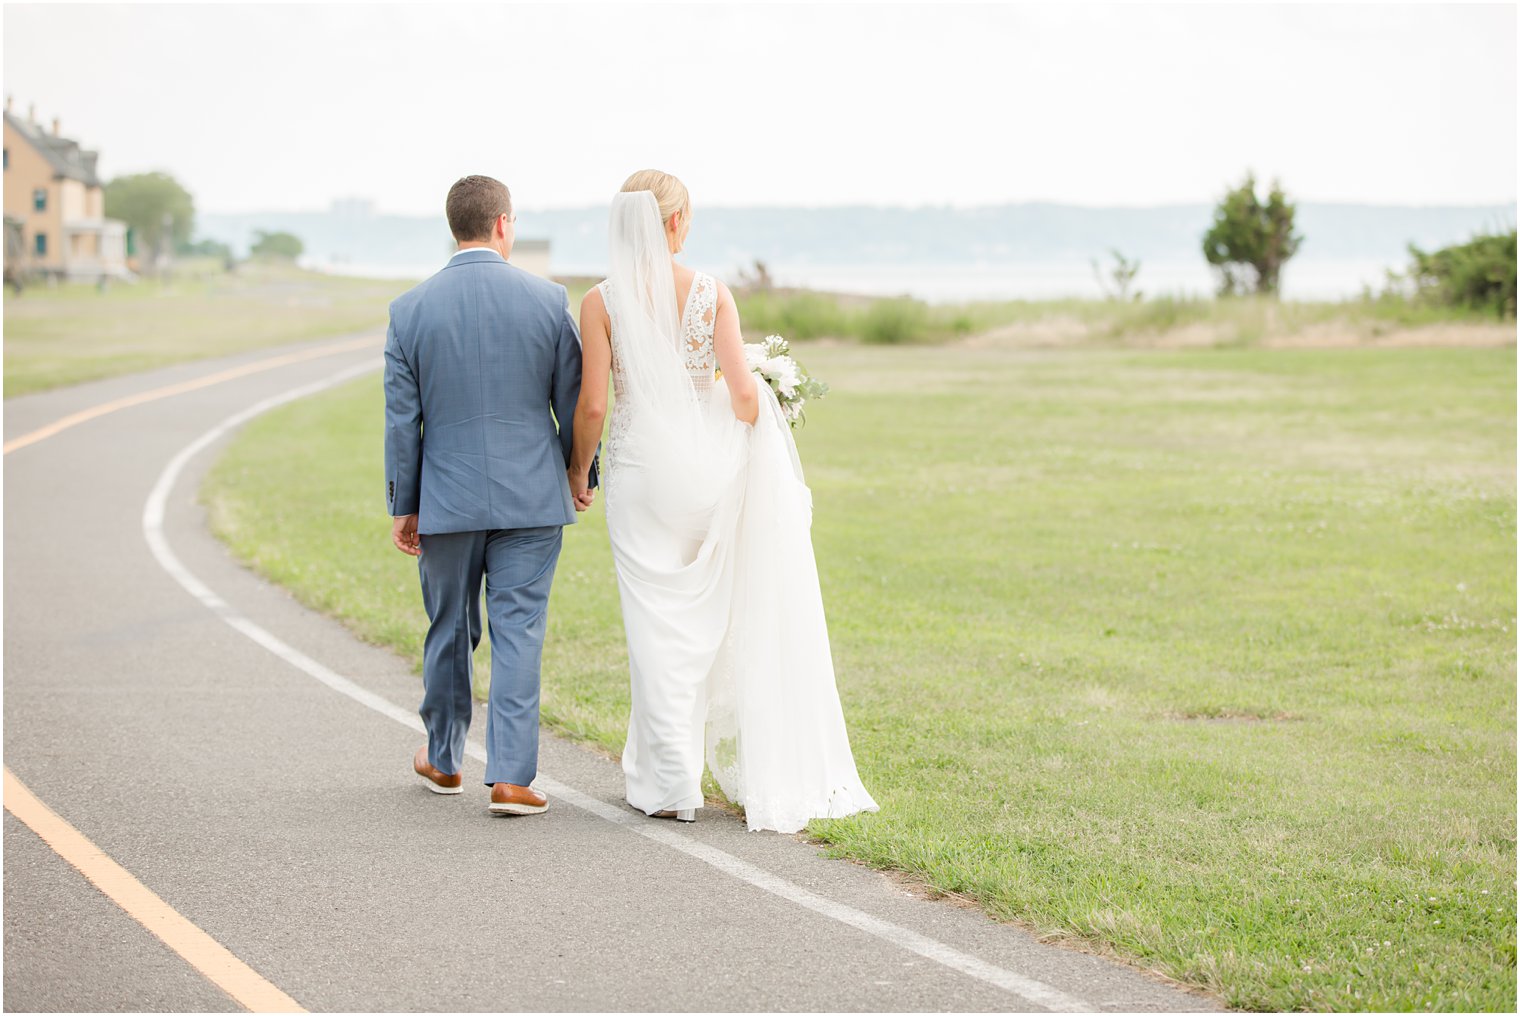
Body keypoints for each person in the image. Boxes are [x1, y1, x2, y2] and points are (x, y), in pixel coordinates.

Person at [569, 169, 877, 833]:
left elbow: (594, 403)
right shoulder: (710, 293)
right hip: (705, 476)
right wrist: (758, 397)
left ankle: (671, 784)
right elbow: (742, 398)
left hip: (637, 472)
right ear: (675, 223)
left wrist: (577, 471)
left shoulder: (600, 302)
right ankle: (675, 773)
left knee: (653, 625)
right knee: (701, 619)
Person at [384, 174, 593, 817]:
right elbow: (573, 402)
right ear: (504, 224)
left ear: (456, 226)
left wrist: (405, 503)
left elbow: (401, 420)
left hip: (446, 500)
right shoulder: (547, 299)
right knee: (519, 631)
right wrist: (575, 474)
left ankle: (444, 759)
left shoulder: (409, 309)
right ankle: (510, 778)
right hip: (532, 496)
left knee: (450, 627)